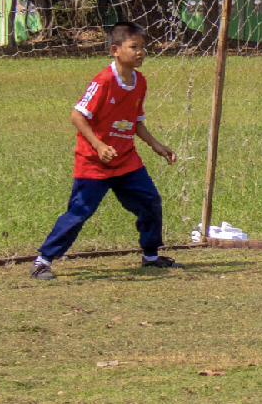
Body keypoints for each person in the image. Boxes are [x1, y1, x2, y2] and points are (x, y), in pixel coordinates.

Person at [31, 22, 181, 279]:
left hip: (126, 161)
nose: (140, 52)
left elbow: (134, 121)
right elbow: (77, 116)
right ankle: (43, 260)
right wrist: (99, 145)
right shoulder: (103, 81)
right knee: (80, 212)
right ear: (115, 50)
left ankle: (151, 256)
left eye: (142, 47)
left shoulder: (139, 82)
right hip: (94, 162)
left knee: (150, 203)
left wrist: (155, 145)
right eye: (133, 47)